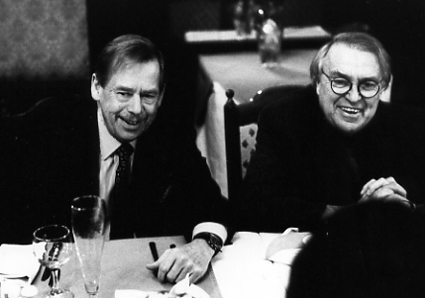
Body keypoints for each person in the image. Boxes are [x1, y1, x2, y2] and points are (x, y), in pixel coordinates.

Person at [0, 34, 228, 284]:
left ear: (161, 96)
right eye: (123, 93)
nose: (136, 109)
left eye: (148, 96)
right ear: (96, 87)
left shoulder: (170, 134)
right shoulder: (49, 127)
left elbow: (214, 206)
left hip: (144, 280)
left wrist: (203, 245)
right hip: (63, 280)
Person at [236, 32, 425, 233]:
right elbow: (255, 208)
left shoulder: (412, 125)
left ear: (383, 87)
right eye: (340, 82)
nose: (354, 97)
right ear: (318, 83)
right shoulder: (282, 120)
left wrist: (407, 208)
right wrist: (356, 213)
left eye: (368, 84)